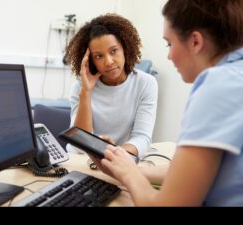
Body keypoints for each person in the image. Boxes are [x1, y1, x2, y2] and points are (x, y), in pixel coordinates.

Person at [92, 0, 243, 206]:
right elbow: (190, 175)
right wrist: (132, 169)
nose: (169, 55)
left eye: (169, 43)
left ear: (195, 42)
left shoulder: (217, 87)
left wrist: (128, 173)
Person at [64, 14, 158, 158]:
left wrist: (113, 155)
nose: (109, 61)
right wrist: (86, 91)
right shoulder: (81, 87)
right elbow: (79, 145)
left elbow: (142, 138)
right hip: (82, 161)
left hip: (120, 159)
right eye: (99, 56)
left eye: (114, 51)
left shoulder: (145, 83)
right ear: (90, 60)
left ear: (125, 48)